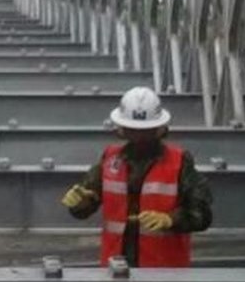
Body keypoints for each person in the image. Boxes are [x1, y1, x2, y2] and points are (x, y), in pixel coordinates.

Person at [60, 87, 212, 267]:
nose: (139, 137)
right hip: (116, 269)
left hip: (165, 273)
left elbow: (202, 213)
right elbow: (87, 199)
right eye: (133, 130)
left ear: (159, 130)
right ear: (123, 129)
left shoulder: (179, 162)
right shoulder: (110, 159)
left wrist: (171, 219)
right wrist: (80, 202)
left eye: (145, 131)